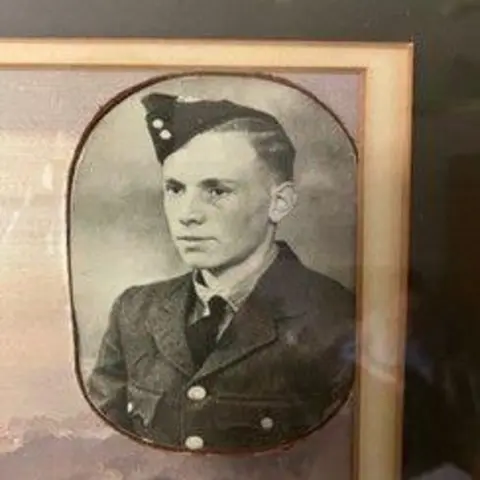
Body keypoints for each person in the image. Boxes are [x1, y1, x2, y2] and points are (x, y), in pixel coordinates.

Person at [87, 92, 356, 452]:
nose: (187, 213)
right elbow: (104, 449)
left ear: (280, 202)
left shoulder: (337, 319)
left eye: (216, 190)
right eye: (175, 189)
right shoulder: (134, 311)